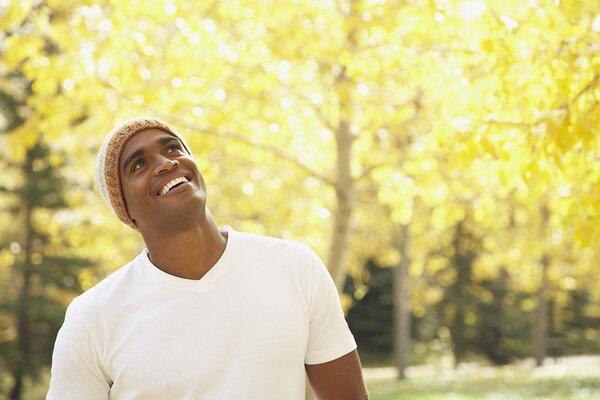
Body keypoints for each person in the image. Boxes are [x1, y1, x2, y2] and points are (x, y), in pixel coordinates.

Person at [47, 117, 368, 399]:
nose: (166, 163)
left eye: (172, 148)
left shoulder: (295, 267)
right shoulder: (91, 319)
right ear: (125, 210)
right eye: (138, 165)